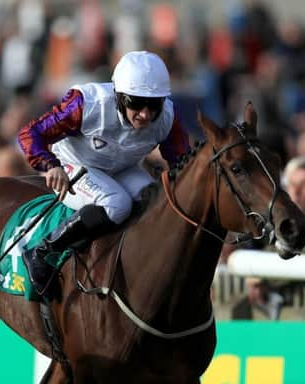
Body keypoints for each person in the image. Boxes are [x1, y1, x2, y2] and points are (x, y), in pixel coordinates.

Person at [17, 50, 190, 294]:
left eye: (154, 105)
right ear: (119, 96)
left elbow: (182, 162)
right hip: (75, 163)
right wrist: (50, 164)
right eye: (136, 103)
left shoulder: (169, 117)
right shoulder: (87, 103)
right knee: (117, 203)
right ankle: (44, 251)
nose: (145, 114)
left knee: (153, 199)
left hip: (122, 167)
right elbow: (30, 133)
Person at [234, 157, 305, 319]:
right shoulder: (291, 221)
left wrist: (263, 277)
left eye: (304, 186)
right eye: (291, 185)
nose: (295, 192)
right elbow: (273, 250)